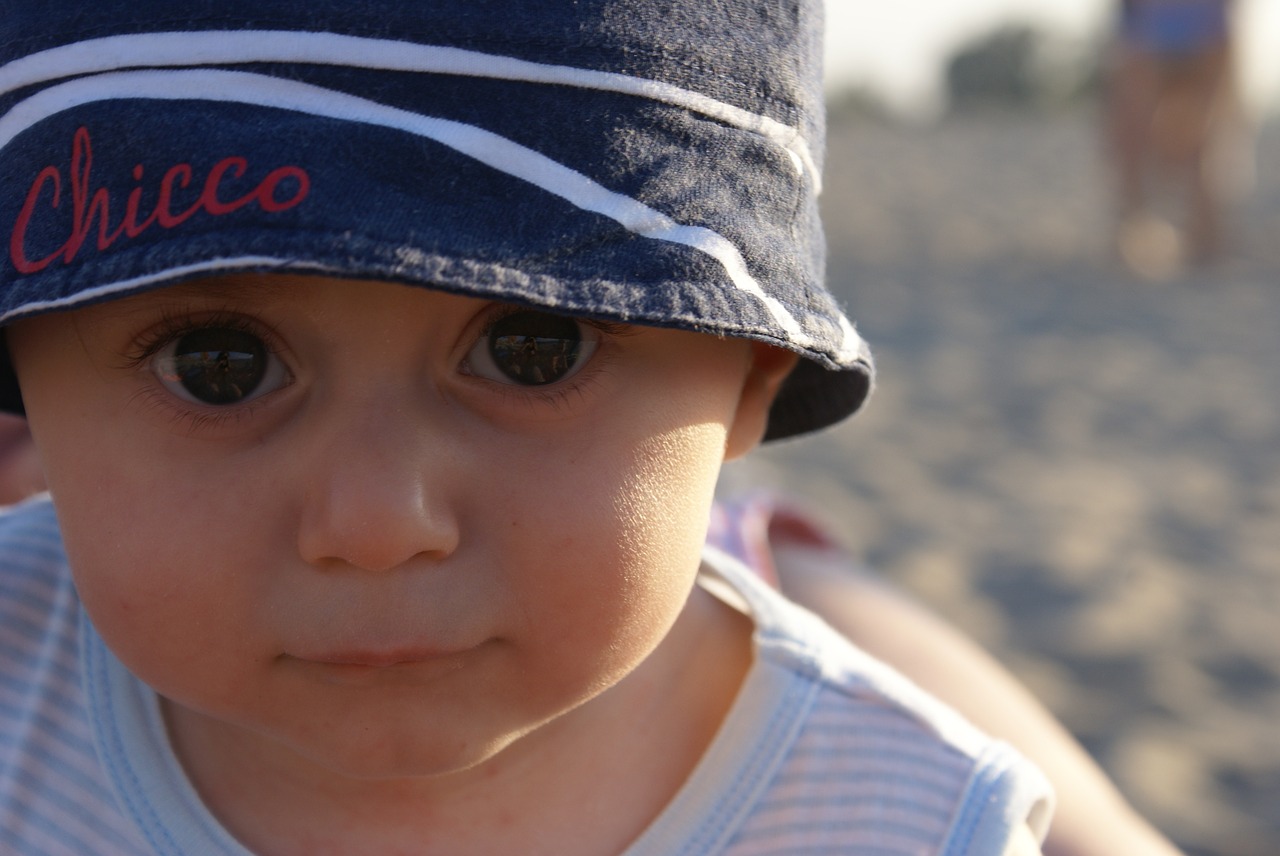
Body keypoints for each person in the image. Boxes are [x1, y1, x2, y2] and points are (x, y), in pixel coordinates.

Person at [0, 2, 1053, 854]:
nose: (374, 521)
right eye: (218, 364)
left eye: (530, 348)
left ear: (747, 377)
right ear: (27, 379)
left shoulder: (904, 822)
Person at [1102, 0, 1243, 278]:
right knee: (1197, 135)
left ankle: (1183, 231)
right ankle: (1199, 235)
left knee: (1185, 136)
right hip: (1191, 27)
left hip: (1166, 27)